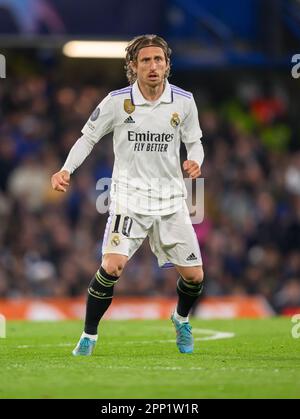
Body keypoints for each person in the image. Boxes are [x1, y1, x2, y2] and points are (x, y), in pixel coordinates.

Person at [51, 34, 205, 355]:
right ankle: (88, 337)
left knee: (194, 277)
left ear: (167, 65)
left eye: (158, 60)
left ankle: (180, 319)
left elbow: (194, 142)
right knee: (111, 266)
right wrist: (66, 169)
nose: (153, 66)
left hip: (171, 201)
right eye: (145, 60)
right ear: (133, 66)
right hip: (129, 200)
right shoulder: (116, 101)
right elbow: (87, 139)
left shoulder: (183, 101)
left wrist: (195, 161)